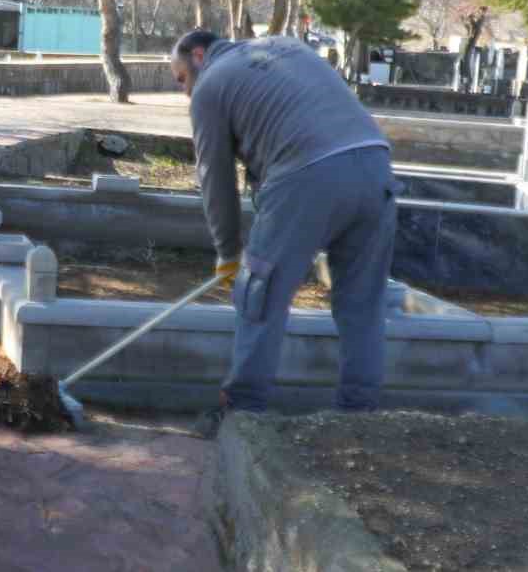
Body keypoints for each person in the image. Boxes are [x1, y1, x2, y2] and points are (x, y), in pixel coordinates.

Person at [170, 30, 399, 436]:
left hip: (307, 174)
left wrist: (227, 254)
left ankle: (242, 412)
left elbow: (214, 179)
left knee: (259, 294)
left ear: (199, 55)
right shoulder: (287, 45)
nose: (185, 91)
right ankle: (358, 419)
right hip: (376, 165)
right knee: (362, 303)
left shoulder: (210, 87)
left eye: (181, 79)